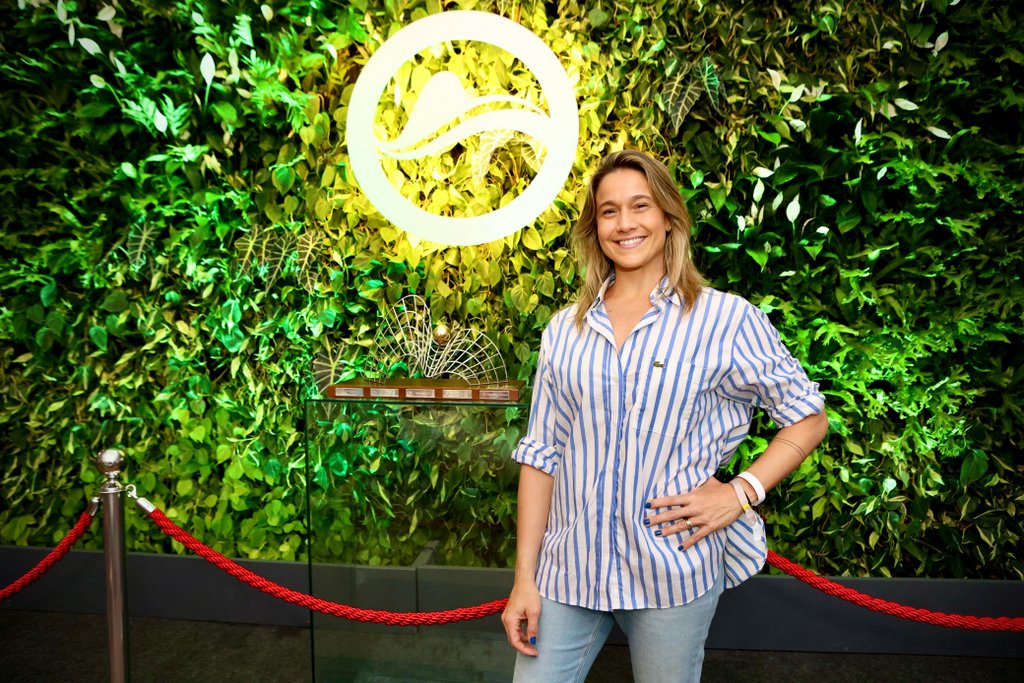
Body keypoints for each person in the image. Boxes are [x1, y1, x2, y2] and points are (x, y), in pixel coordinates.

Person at [500, 150, 828, 682]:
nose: (624, 224)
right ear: (595, 227)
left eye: (640, 206)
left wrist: (740, 492)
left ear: (669, 217)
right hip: (567, 570)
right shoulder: (565, 328)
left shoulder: (726, 320)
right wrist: (524, 579)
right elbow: (541, 457)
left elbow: (809, 417)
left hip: (671, 571)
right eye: (608, 211)